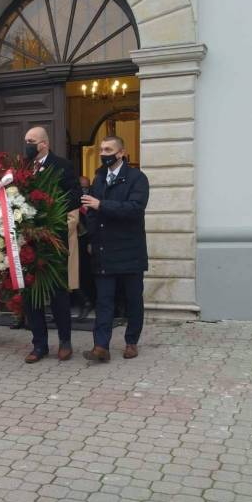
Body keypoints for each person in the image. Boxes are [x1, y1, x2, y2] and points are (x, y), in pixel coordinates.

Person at [81, 136, 149, 362]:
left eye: (108, 149)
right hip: (104, 251)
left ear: (121, 153)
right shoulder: (99, 178)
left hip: (130, 251)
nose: (103, 153)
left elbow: (134, 208)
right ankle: (101, 346)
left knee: (133, 300)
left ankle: (131, 342)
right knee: (104, 301)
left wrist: (102, 205)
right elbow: (91, 212)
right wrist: (91, 239)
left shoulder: (137, 178)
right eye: (101, 149)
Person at [22, 126, 82, 363]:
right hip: (28, 241)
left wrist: (51, 216)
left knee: (58, 294)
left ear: (44, 144)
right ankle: (39, 344)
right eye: (26, 140)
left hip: (53, 240)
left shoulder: (62, 166)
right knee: (31, 295)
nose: (27, 144)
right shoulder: (22, 167)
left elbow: (74, 196)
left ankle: (65, 341)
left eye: (32, 141)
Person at [74, 174, 96, 320]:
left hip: (87, 242)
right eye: (82, 187)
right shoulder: (73, 200)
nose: (84, 190)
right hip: (74, 242)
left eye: (87, 187)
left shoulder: (93, 201)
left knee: (87, 274)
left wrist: (91, 241)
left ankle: (89, 302)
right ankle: (84, 301)